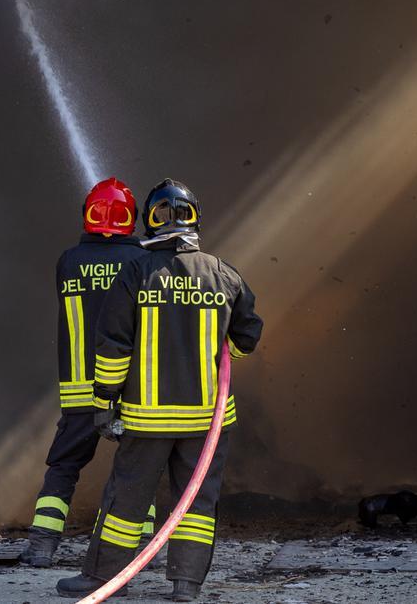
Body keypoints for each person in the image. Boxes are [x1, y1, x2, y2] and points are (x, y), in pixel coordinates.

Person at [56, 179, 264, 602]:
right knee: (196, 502)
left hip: (147, 418)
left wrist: (104, 402)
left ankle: (107, 579)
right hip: (207, 421)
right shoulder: (223, 273)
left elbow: (113, 346)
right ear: (196, 220)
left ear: (150, 222)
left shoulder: (135, 272)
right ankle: (186, 585)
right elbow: (247, 337)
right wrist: (219, 354)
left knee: (126, 500)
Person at [19, 177, 152, 567]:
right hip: (131, 388)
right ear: (131, 219)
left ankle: (42, 545)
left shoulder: (68, 261)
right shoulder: (142, 263)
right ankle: (141, 547)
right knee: (137, 468)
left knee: (64, 465)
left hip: (81, 390)